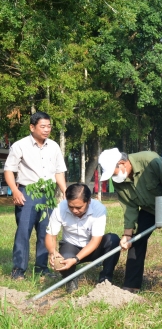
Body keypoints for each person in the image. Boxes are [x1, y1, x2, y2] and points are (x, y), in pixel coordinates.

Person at [4, 112, 67, 280]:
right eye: (43, 126)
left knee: (46, 231)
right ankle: (18, 270)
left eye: (49, 126)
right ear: (32, 127)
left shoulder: (54, 146)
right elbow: (9, 170)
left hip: (48, 194)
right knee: (23, 231)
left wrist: (66, 191)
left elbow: (59, 171)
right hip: (27, 193)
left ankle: (42, 268)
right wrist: (15, 191)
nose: (47, 130)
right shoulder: (20, 146)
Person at [98, 148, 162, 293]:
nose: (114, 177)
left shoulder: (150, 161)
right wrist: (127, 235)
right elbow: (129, 207)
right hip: (148, 209)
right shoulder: (119, 181)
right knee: (136, 242)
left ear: (123, 163)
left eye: (114, 172)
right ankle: (131, 285)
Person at [45, 184, 120, 293]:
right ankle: (70, 280)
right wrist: (53, 252)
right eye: (71, 206)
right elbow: (51, 235)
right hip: (71, 246)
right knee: (62, 259)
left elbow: (95, 241)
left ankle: (105, 280)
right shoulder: (59, 209)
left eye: (79, 207)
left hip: (93, 248)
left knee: (113, 240)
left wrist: (76, 259)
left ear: (89, 201)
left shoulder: (99, 209)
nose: (74, 210)